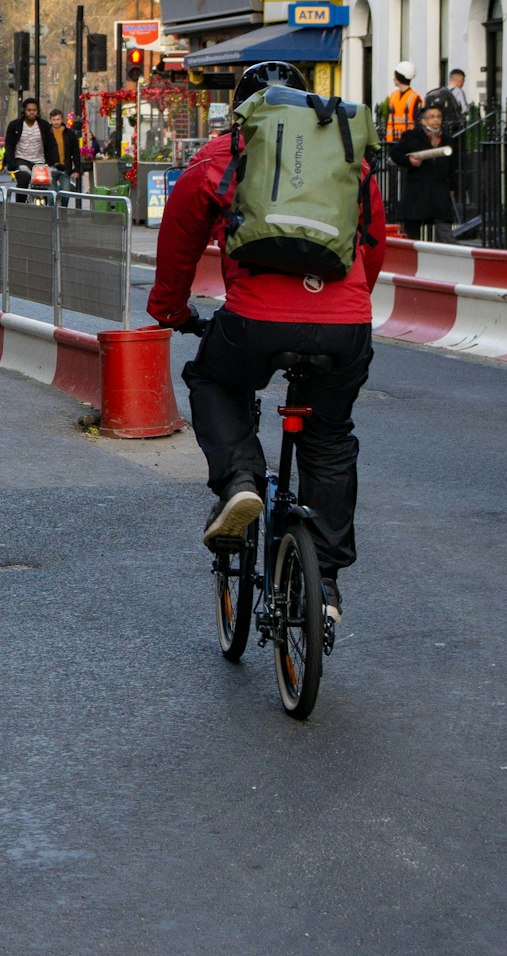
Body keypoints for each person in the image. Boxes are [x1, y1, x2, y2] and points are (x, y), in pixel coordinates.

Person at [147, 60, 386, 623]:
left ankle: (239, 480)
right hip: (344, 324)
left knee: (212, 379)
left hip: (255, 321)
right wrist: (348, 309)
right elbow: (372, 243)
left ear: (242, 110)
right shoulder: (348, 154)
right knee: (329, 438)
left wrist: (171, 311)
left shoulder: (221, 153)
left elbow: (178, 243)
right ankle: (323, 585)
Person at [389, 103, 458, 243]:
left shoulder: (447, 139)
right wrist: (409, 160)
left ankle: (447, 260)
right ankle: (412, 261)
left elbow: (453, 166)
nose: (436, 120)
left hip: (440, 190)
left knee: (445, 232)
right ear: (423, 120)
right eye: (431, 117)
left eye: (438, 116)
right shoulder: (411, 136)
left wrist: (453, 187)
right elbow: (395, 154)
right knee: (412, 234)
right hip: (417, 191)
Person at [3, 97, 58, 190]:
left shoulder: (44, 125)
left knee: (42, 185)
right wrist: (12, 163)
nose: (32, 112)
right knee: (23, 181)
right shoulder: (14, 125)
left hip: (39, 161)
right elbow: (9, 146)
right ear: (24, 111)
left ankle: (43, 204)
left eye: (34, 110)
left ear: (38, 111)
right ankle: (21, 203)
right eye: (29, 110)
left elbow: (51, 145)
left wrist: (55, 162)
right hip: (21, 160)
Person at [48, 107, 81, 204]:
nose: (56, 122)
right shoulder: (47, 133)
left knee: (66, 193)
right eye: (54, 120)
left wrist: (77, 170)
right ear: (50, 120)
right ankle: (51, 216)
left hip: (65, 168)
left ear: (62, 119)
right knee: (51, 196)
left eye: (58, 119)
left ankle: (63, 212)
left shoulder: (69, 134)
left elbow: (76, 152)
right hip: (50, 168)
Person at [385, 61, 422, 141]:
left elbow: (418, 122)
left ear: (399, 77)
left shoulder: (415, 97)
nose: (393, 78)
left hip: (406, 142)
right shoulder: (393, 95)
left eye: (395, 75)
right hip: (391, 141)